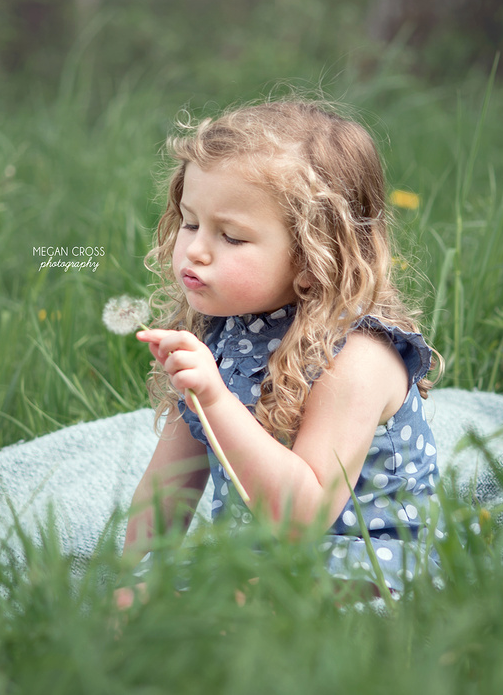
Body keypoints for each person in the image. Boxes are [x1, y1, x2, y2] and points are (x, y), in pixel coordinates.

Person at [117, 98, 441, 607]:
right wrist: (133, 580)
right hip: (256, 563)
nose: (197, 250)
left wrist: (216, 398)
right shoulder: (218, 335)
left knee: (233, 611)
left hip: (360, 563)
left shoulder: (358, 358)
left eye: (232, 236)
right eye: (189, 222)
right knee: (158, 608)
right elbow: (169, 487)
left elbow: (304, 518)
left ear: (314, 259)